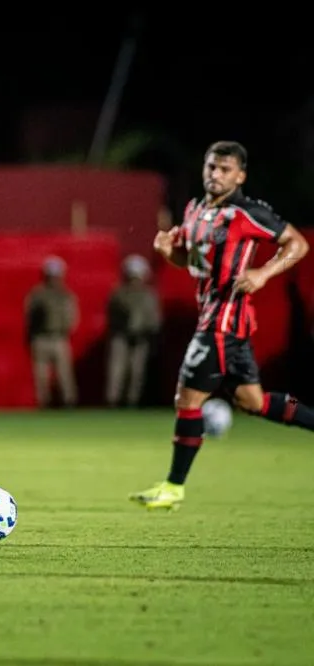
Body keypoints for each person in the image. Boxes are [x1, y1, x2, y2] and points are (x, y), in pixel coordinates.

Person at [130, 140, 312, 511]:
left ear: (240, 175)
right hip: (221, 322)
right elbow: (192, 262)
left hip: (222, 323)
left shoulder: (247, 212)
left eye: (225, 169)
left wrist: (263, 272)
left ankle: (173, 487)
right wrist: (170, 252)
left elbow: (296, 244)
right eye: (211, 166)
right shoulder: (195, 210)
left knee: (187, 399)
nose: (215, 174)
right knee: (253, 402)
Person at [105, 254, 161, 408]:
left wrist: (149, 333)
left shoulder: (149, 295)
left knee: (137, 372)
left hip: (141, 338)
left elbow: (154, 318)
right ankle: (113, 401)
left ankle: (132, 402)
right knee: (117, 370)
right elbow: (112, 315)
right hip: (121, 336)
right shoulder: (119, 293)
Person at [24, 256, 79, 407]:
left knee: (64, 375)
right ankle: (44, 404)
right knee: (41, 376)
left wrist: (65, 330)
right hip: (41, 338)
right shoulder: (37, 295)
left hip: (59, 338)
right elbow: (29, 316)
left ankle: (68, 403)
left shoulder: (66, 295)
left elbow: (73, 317)